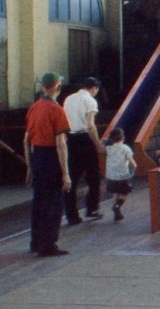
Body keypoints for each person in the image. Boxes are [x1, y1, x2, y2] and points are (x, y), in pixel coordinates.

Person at [24, 72, 72, 257]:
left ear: (43, 87)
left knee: (38, 201)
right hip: (52, 157)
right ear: (58, 88)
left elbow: (26, 139)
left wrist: (29, 165)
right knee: (53, 202)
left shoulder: (34, 108)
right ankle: (48, 245)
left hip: (37, 156)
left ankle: (35, 242)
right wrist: (66, 173)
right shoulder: (57, 110)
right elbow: (60, 144)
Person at [62, 77, 105, 225]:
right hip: (85, 140)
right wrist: (98, 144)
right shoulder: (91, 101)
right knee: (94, 176)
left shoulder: (68, 99)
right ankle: (92, 209)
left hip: (71, 139)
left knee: (72, 179)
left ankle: (71, 215)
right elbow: (90, 125)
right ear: (94, 88)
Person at [105, 128, 136, 222]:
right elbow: (133, 163)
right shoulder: (125, 148)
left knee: (115, 192)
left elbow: (101, 146)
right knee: (124, 193)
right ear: (123, 137)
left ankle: (116, 213)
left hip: (110, 176)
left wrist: (103, 141)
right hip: (122, 175)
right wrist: (134, 169)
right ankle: (117, 206)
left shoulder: (108, 148)